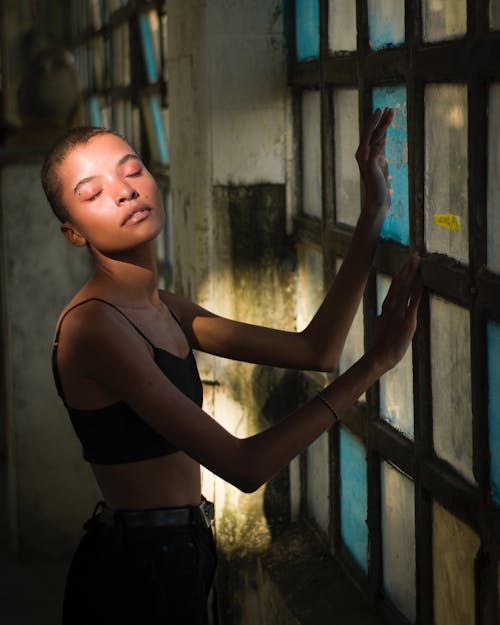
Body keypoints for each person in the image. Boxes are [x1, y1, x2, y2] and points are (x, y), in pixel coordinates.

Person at [41, 106, 422, 624]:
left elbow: (316, 351)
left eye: (131, 170)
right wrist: (376, 363)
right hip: (135, 570)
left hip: (182, 549)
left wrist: (374, 210)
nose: (125, 190)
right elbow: (244, 467)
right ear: (73, 233)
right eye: (92, 193)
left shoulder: (165, 307)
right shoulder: (95, 329)